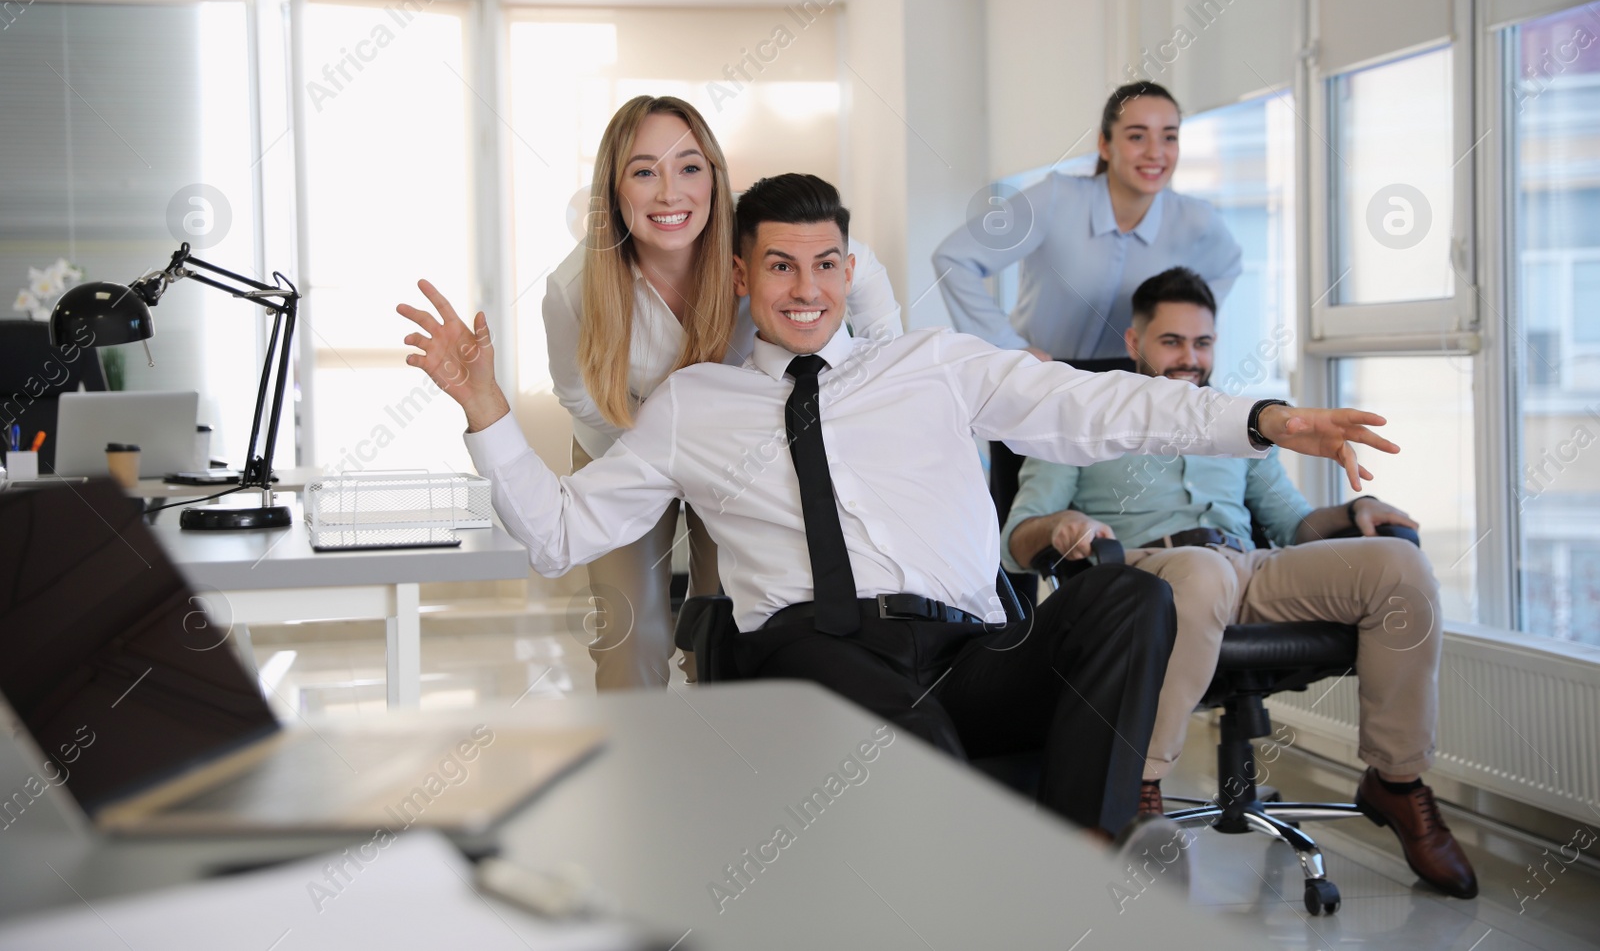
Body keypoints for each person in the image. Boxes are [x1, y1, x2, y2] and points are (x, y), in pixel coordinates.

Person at [397, 174, 1398, 838]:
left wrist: (1262, 417)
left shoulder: (932, 366)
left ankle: (1080, 873)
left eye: (826, 263)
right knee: (921, 770)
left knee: (1133, 600)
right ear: (743, 274)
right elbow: (560, 529)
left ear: (850, 268)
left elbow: (1100, 404)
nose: (805, 288)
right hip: (815, 648)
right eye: (780, 265)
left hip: (969, 650)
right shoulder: (691, 404)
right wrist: (484, 404)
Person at [1001, 267, 1478, 898]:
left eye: (1203, 344)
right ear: (1135, 341)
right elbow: (1017, 540)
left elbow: (1293, 527)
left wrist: (1353, 516)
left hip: (1244, 570)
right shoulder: (1081, 417)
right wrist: (1061, 523)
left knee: (1400, 565)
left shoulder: (1240, 421)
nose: (1189, 359)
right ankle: (1138, 787)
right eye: (1172, 342)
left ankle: (1396, 781)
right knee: (1200, 574)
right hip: (1139, 578)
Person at [541, 96, 902, 690]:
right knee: (630, 638)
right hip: (620, 445)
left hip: (741, 448)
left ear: (714, 174)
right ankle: (642, 773)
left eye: (689, 167)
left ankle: (727, 765)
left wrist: (884, 379)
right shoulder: (574, 286)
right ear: (614, 188)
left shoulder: (756, 236)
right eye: (643, 171)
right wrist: (662, 444)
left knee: (734, 623)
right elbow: (578, 395)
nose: (669, 194)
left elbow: (862, 272)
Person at [932, 81, 1242, 363]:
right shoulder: (1056, 198)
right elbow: (954, 258)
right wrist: (1008, 347)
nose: (1155, 152)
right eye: (1137, 136)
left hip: (1126, 382)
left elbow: (1227, 266)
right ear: (1105, 145)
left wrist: (1182, 331)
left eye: (1169, 137)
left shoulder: (1195, 219)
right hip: (1042, 374)